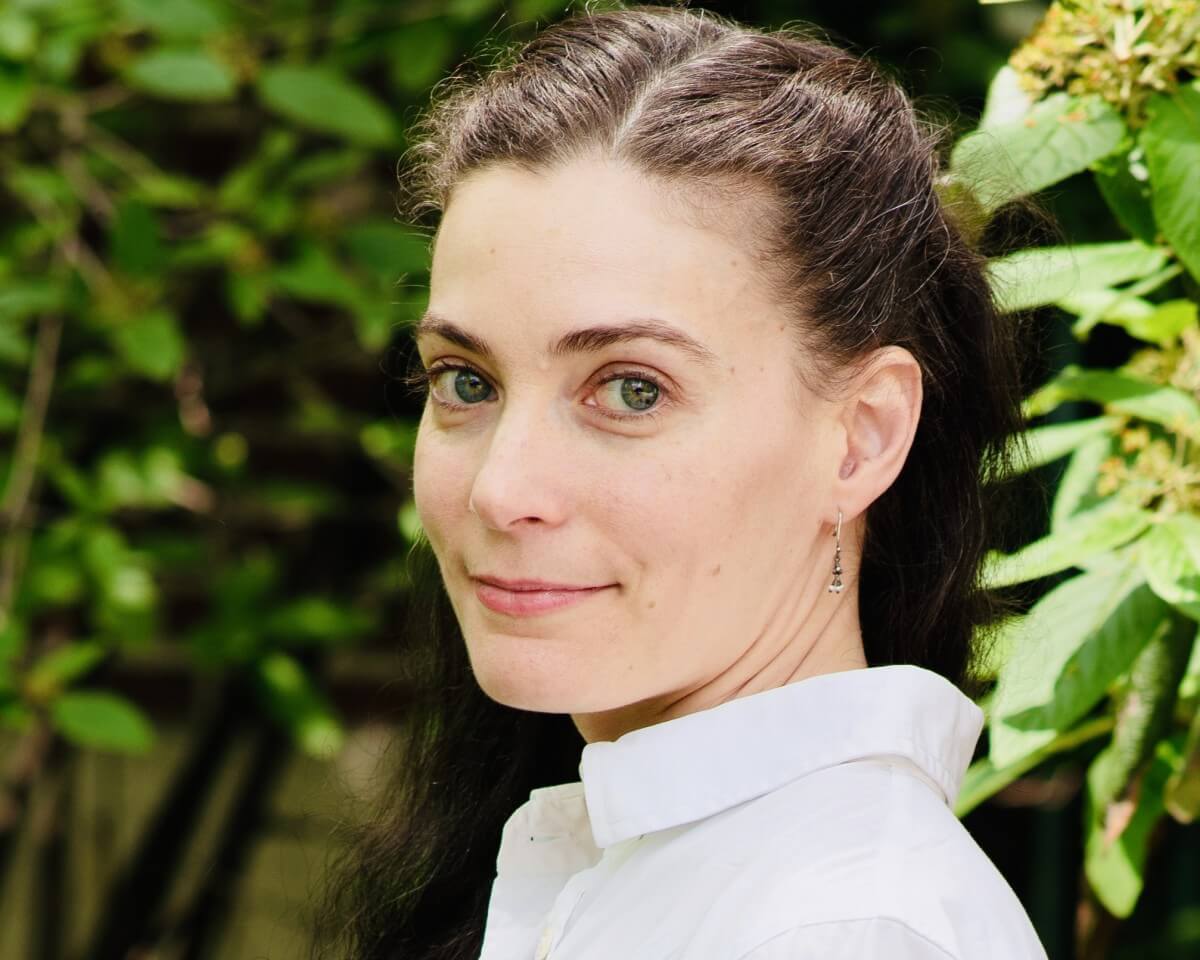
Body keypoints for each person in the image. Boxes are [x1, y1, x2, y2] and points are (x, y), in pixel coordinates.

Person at [309, 3, 1050, 959]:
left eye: (632, 390)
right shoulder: (620, 861)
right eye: (466, 382)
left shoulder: (839, 930)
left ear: (862, 438)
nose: (501, 489)